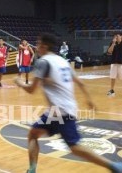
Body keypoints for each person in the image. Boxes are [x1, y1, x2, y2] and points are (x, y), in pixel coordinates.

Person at [15, 33, 122, 173]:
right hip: (64, 108)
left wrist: (19, 82)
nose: (36, 46)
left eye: (38, 43)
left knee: (74, 147)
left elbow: (31, 90)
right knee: (33, 134)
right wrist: (89, 100)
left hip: (59, 111)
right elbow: (80, 83)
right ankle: (31, 170)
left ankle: (113, 166)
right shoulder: (62, 60)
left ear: (45, 46)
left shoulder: (43, 62)